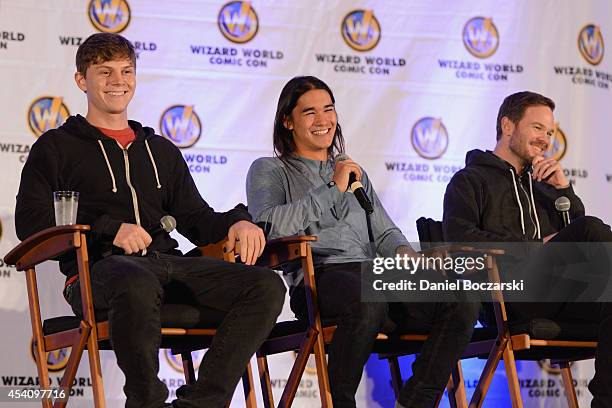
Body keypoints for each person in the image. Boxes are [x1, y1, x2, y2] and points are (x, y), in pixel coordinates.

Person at [14, 33, 286, 408]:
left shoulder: (160, 150)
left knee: (266, 286)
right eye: (104, 72)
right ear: (82, 80)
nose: (118, 81)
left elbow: (198, 220)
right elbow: (30, 221)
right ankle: (146, 401)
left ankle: (200, 402)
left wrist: (239, 222)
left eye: (126, 71)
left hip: (168, 265)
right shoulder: (57, 147)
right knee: (134, 277)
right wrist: (109, 228)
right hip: (100, 272)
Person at [246, 75, 480, 408]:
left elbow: (383, 231)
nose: (323, 120)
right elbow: (268, 225)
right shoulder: (270, 169)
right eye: (309, 112)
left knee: (462, 299)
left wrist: (404, 254)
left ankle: (415, 401)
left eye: (328, 109)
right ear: (287, 121)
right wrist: (332, 188)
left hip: (372, 274)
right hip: (319, 278)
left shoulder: (353, 171)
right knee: (368, 299)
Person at [443, 91, 612, 407]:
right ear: (507, 126)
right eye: (537, 128)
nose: (546, 139)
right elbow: (458, 240)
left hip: (557, 295)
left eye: (549, 132)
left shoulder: (544, 187)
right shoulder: (469, 180)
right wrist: (534, 247)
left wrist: (564, 190)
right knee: (590, 227)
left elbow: (580, 244)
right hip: (508, 297)